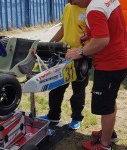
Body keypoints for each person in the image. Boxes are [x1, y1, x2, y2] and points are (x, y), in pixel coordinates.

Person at [65, 0, 127, 149]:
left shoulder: (94, 9)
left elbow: (102, 40)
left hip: (109, 64)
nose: (71, 3)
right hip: (118, 59)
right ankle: (108, 133)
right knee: (110, 100)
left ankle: (104, 145)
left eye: (72, 0)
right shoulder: (106, 1)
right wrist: (89, 35)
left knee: (105, 105)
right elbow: (111, 27)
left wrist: (79, 52)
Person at [40, 0, 89, 130]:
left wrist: (83, 52)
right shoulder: (68, 7)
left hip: (81, 56)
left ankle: (76, 118)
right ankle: (53, 115)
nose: (69, 1)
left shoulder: (89, 9)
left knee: (78, 90)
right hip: (64, 53)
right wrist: (49, 45)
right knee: (56, 87)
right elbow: (63, 29)